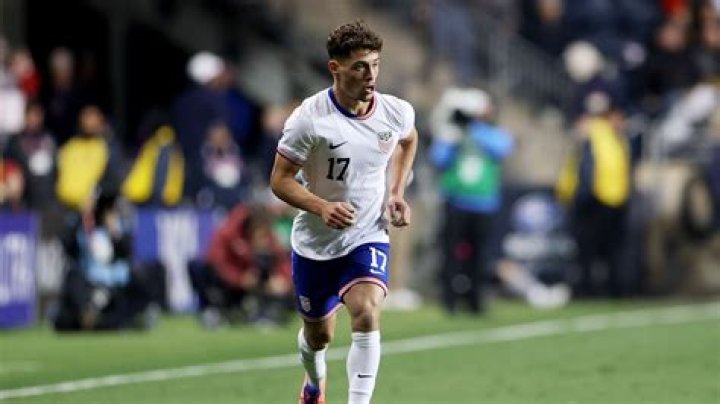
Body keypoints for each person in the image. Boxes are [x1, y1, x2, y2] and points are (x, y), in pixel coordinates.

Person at [270, 20, 418, 404]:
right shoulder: (309, 119)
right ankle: (313, 383)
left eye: (376, 65)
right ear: (335, 68)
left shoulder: (395, 111)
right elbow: (280, 180)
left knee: (366, 311)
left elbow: (409, 139)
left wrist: (397, 192)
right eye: (360, 67)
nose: (371, 76)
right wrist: (322, 206)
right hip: (316, 242)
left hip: (367, 232)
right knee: (319, 336)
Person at [429, 87, 514, 315]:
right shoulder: (453, 134)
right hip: (456, 201)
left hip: (484, 203)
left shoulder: (491, 133)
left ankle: (475, 300)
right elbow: (438, 158)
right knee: (450, 254)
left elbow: (502, 148)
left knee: (480, 255)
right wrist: (453, 136)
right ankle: (449, 302)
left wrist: (472, 129)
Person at [188, 204, 293, 328]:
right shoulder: (228, 232)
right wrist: (240, 279)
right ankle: (213, 310)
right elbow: (217, 262)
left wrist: (283, 280)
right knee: (197, 266)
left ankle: (267, 312)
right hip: (229, 283)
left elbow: (281, 259)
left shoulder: (267, 234)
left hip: (256, 280)